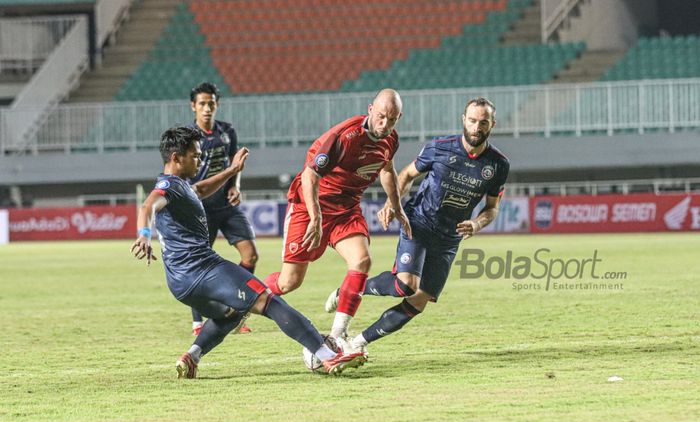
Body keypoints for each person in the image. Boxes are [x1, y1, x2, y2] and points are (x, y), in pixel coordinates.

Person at [130, 126, 367, 378]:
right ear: (176, 157)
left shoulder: (182, 187)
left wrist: (232, 171)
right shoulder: (169, 185)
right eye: (196, 155)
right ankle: (328, 356)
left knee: (232, 313)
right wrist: (144, 235)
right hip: (203, 269)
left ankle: (192, 357)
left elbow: (198, 191)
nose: (200, 160)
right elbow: (148, 206)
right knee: (268, 300)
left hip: (180, 282)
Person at [329, 98, 510, 355]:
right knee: (405, 284)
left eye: (483, 122)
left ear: (492, 124)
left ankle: (358, 342)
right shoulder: (440, 147)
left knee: (418, 301)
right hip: (419, 223)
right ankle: (348, 289)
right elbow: (406, 175)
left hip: (449, 239)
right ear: (463, 120)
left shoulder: (498, 165)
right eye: (472, 120)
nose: (476, 127)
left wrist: (477, 223)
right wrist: (394, 204)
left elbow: (492, 208)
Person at [262, 89, 412, 339]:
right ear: (370, 109)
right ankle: (243, 299)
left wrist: (397, 207)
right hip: (311, 207)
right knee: (289, 282)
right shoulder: (345, 137)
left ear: (400, 117)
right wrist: (316, 217)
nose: (385, 125)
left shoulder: (390, 139)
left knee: (362, 261)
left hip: (347, 210)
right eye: (381, 117)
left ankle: (337, 335)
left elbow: (387, 170)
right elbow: (310, 176)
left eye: (392, 119)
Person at [187, 82, 257, 335]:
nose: (207, 109)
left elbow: (235, 164)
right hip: (200, 208)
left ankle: (236, 311)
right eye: (202, 104)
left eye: (211, 104)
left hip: (226, 205)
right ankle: (198, 323)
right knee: (198, 264)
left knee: (250, 256)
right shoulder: (188, 136)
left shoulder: (227, 131)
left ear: (217, 105)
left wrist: (235, 186)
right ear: (193, 106)